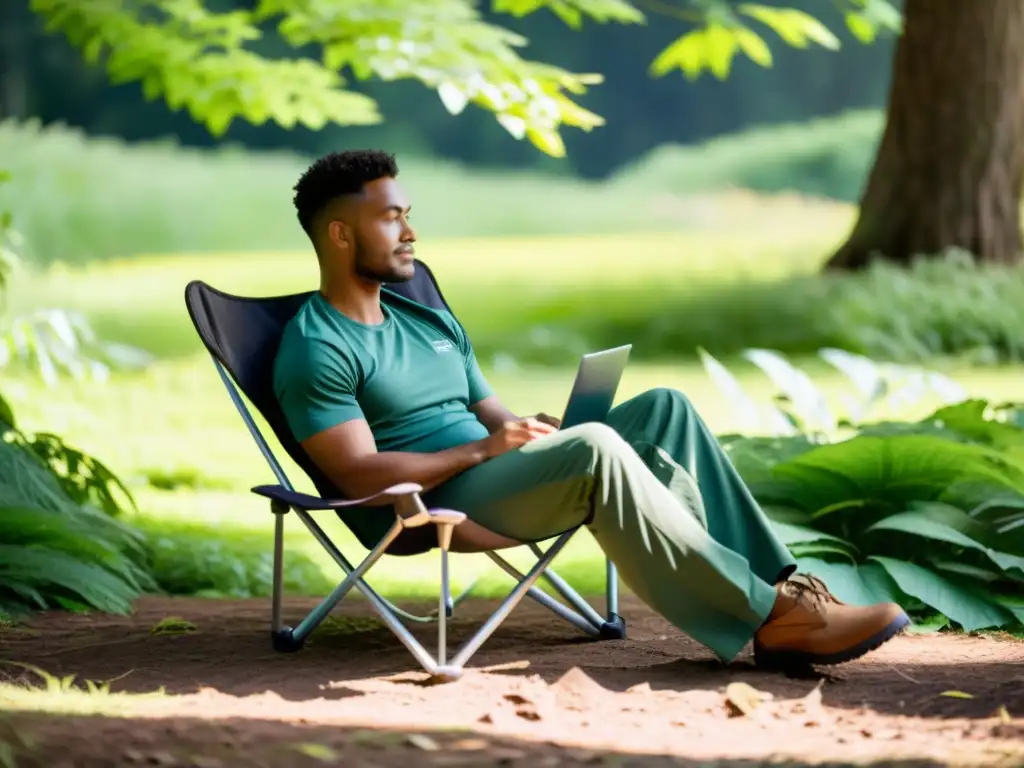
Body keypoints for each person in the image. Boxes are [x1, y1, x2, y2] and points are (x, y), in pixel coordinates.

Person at [272, 149, 910, 670]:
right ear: (339, 233)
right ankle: (762, 613)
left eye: (408, 215)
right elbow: (356, 475)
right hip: (433, 504)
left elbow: (492, 414)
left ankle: (788, 598)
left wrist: (531, 431)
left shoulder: (424, 320)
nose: (411, 232)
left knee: (665, 407)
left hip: (496, 474)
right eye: (391, 219)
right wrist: (482, 451)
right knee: (598, 446)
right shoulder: (316, 346)